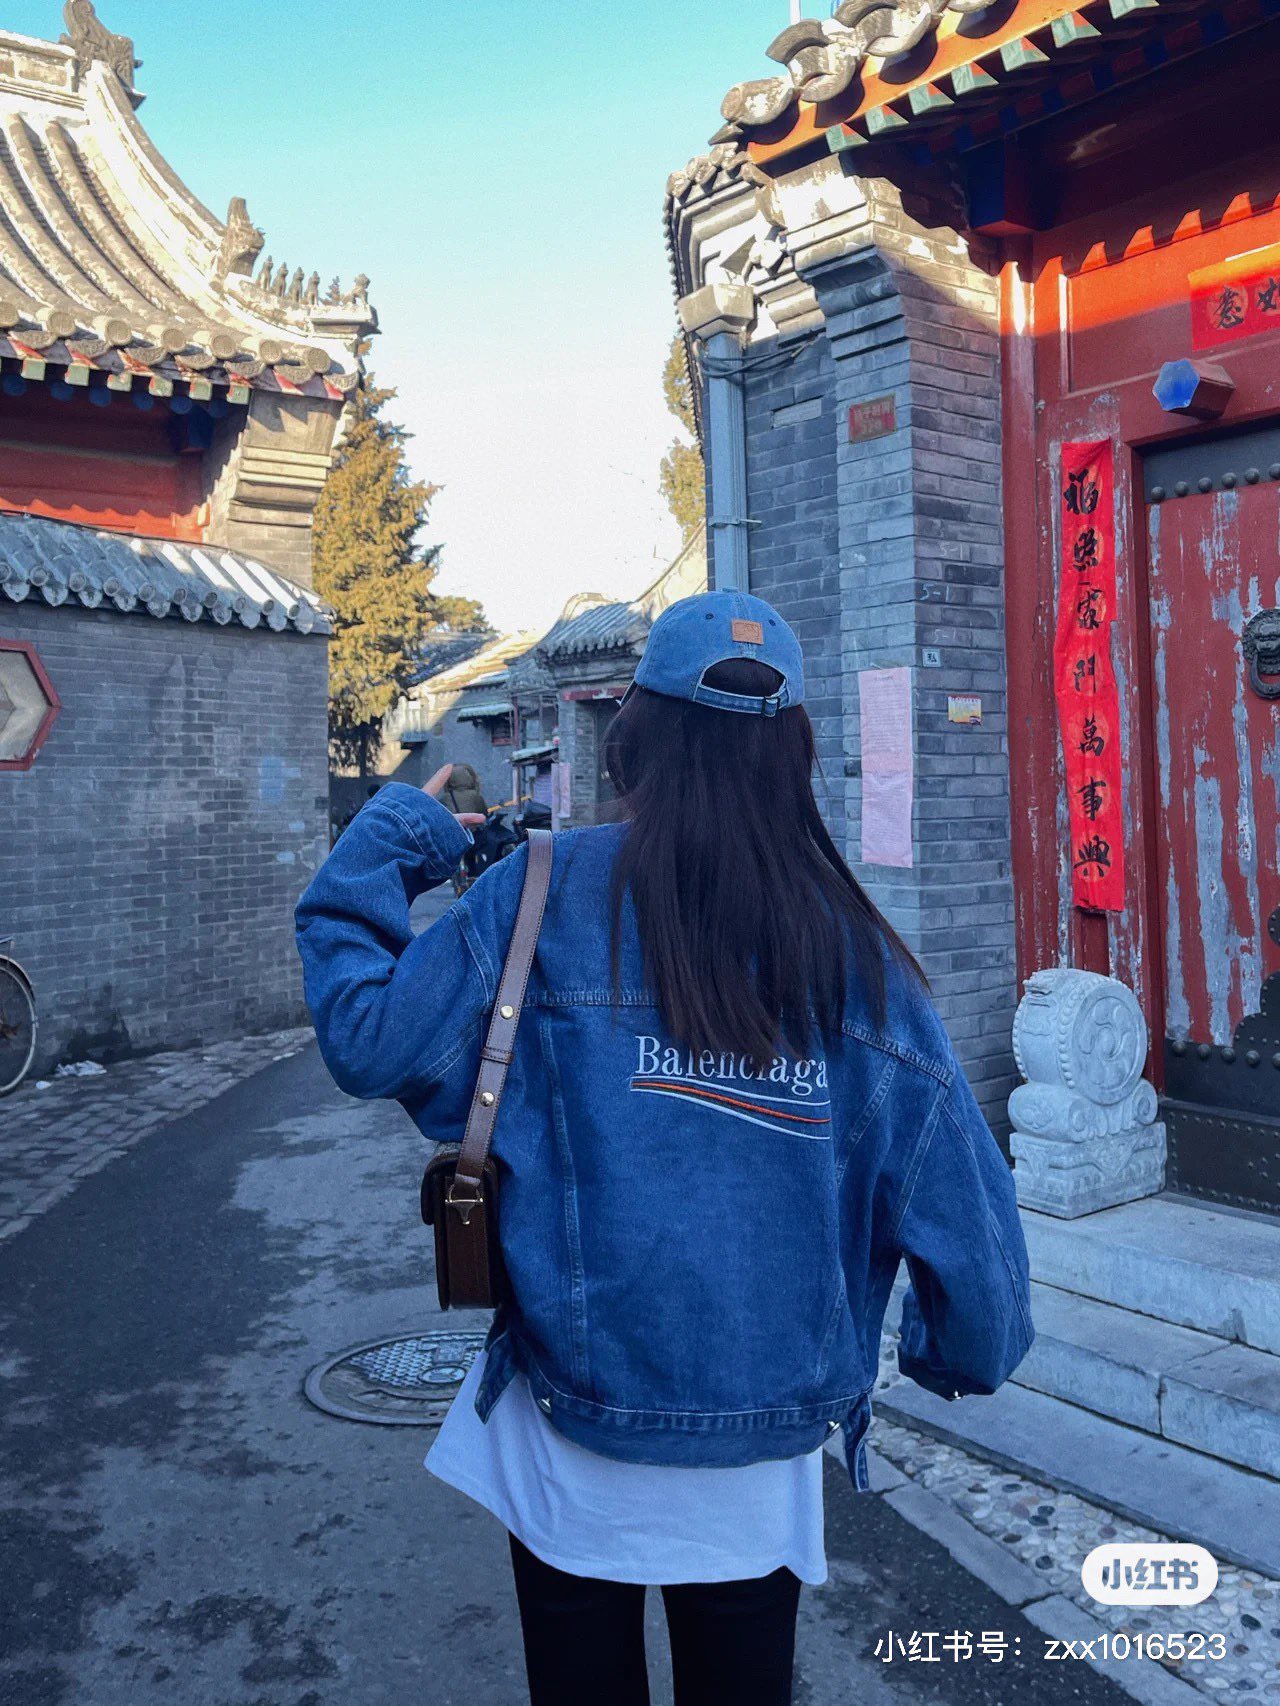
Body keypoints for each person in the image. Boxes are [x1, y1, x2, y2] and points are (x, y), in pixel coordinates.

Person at [295, 590, 1034, 1706]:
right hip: (761, 1460)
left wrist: (398, 834)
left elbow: (367, 1035)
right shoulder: (861, 959)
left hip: (566, 1430)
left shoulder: (536, 897)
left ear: (631, 739)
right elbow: (965, 1217)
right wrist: (956, 1352)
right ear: (794, 756)